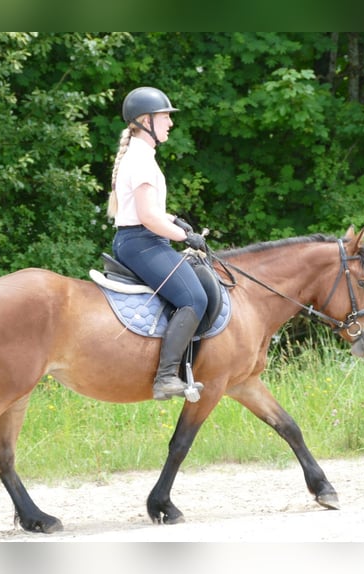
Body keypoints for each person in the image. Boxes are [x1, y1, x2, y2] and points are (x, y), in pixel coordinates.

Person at [107, 86, 208, 401]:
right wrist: (185, 237)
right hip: (142, 242)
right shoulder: (140, 159)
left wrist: (174, 220)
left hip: (139, 239)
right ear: (145, 120)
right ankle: (165, 378)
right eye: (165, 117)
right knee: (194, 299)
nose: (170, 123)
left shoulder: (141, 155)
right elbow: (148, 218)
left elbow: (149, 211)